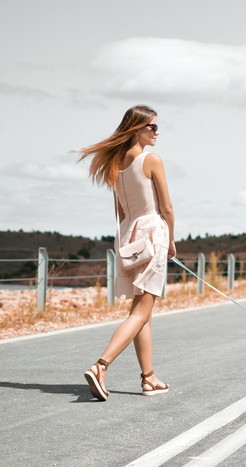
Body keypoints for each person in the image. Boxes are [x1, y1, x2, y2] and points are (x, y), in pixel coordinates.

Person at [79, 105, 176, 401]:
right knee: (141, 311)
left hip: (129, 236)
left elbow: (120, 212)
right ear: (136, 130)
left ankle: (149, 378)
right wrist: (171, 241)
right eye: (152, 127)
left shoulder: (114, 166)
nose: (157, 132)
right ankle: (101, 365)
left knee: (141, 310)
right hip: (152, 233)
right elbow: (166, 207)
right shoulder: (151, 160)